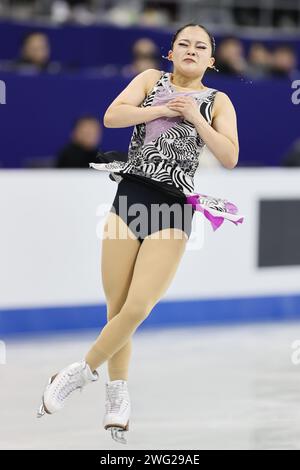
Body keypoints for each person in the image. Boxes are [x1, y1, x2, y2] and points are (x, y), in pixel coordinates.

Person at [37, 23, 241, 444]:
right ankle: (118, 396)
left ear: (211, 60)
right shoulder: (151, 80)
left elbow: (230, 155)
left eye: (200, 46)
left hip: (173, 204)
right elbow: (113, 116)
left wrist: (193, 117)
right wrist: (160, 108)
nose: (191, 49)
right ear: (171, 52)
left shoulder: (219, 101)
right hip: (130, 195)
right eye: (183, 43)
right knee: (116, 307)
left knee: (139, 305)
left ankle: (80, 372)